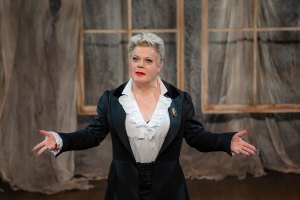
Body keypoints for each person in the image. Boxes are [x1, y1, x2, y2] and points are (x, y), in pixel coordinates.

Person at [33, 32, 256, 200]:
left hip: (169, 184)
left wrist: (226, 141)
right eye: (136, 58)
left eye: (148, 60)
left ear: (160, 65)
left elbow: (197, 136)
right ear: (130, 61)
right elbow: (92, 135)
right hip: (123, 185)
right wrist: (61, 139)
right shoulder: (112, 99)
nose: (140, 64)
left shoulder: (179, 99)